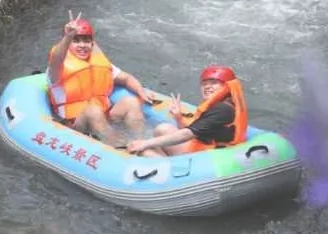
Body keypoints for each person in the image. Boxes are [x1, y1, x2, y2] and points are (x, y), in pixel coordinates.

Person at [47, 11, 153, 145]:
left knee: (131, 101)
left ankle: (143, 143)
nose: (82, 45)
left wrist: (140, 90)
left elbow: (126, 78)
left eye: (86, 41)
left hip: (104, 118)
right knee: (93, 110)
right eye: (76, 41)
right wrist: (68, 37)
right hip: (76, 123)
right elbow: (56, 59)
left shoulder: (99, 64)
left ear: (92, 43)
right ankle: (119, 149)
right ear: (68, 43)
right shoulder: (57, 69)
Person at [125, 65, 249, 158]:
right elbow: (198, 131)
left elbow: (186, 135)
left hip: (208, 157)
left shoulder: (223, 110)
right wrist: (178, 117)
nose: (207, 87)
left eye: (213, 83)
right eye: (204, 84)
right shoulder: (223, 104)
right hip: (208, 147)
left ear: (227, 86)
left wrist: (145, 143)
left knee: (145, 151)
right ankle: (164, 157)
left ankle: (169, 172)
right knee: (163, 128)